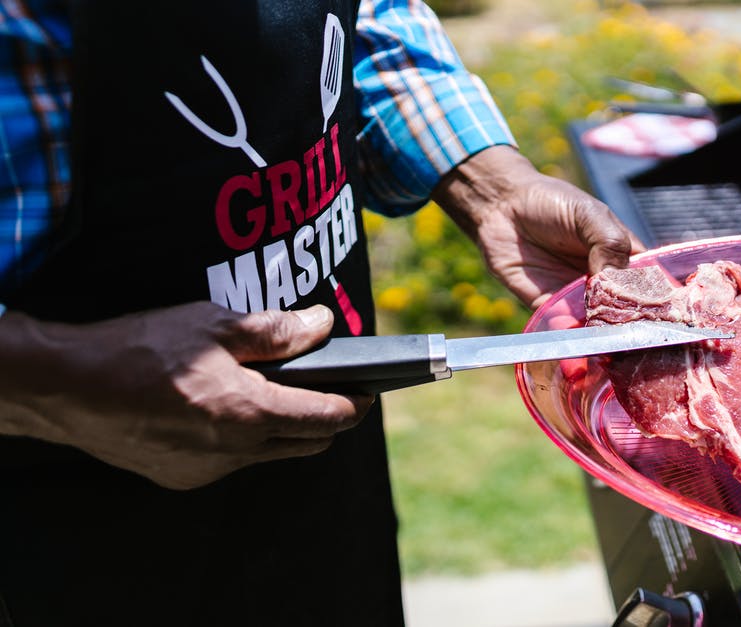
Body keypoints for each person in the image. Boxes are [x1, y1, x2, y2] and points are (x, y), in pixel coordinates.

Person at [0, 2, 641, 626]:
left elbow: (368, 21)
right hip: (78, 539)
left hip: (332, 502)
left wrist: (492, 186)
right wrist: (61, 380)